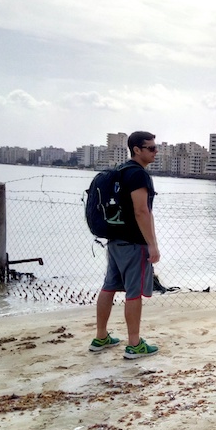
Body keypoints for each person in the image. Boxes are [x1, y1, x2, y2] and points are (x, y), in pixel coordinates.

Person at [89, 131, 161, 359]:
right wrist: (152, 245)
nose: (155, 152)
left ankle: (101, 337)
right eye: (150, 148)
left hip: (114, 241)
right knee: (134, 292)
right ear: (137, 150)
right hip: (133, 243)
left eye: (155, 147)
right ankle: (134, 344)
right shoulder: (138, 175)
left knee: (109, 287)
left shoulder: (120, 171)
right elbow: (142, 211)